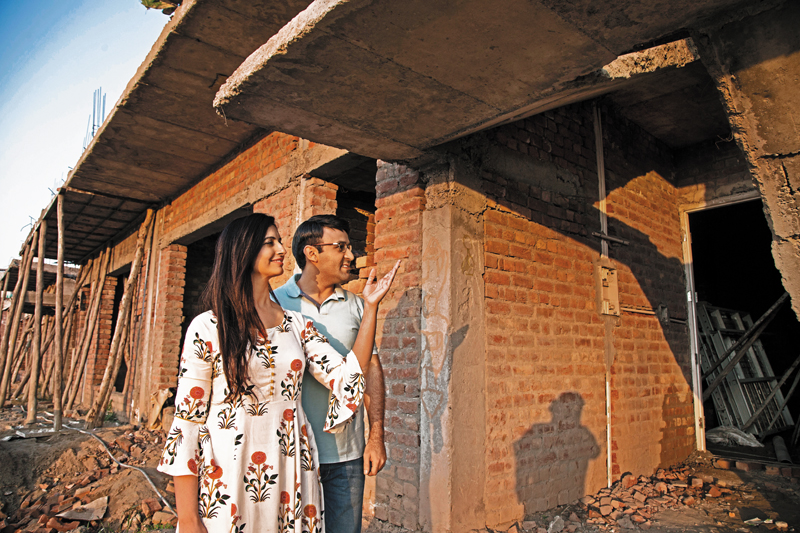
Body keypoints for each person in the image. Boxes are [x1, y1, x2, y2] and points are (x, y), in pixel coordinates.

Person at [157, 214, 399, 533]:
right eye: (270, 242)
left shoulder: (296, 326)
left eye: (280, 241)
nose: (283, 249)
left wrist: (370, 309)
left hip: (290, 474)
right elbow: (187, 422)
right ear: (242, 251)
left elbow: (347, 375)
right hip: (227, 478)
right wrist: (187, 518)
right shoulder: (208, 327)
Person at [273, 215, 385, 533]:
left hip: (346, 455)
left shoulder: (358, 306)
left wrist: (376, 437)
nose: (351, 255)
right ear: (312, 253)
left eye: (349, 247)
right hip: (291, 452)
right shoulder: (275, 303)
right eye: (341, 247)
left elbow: (370, 371)